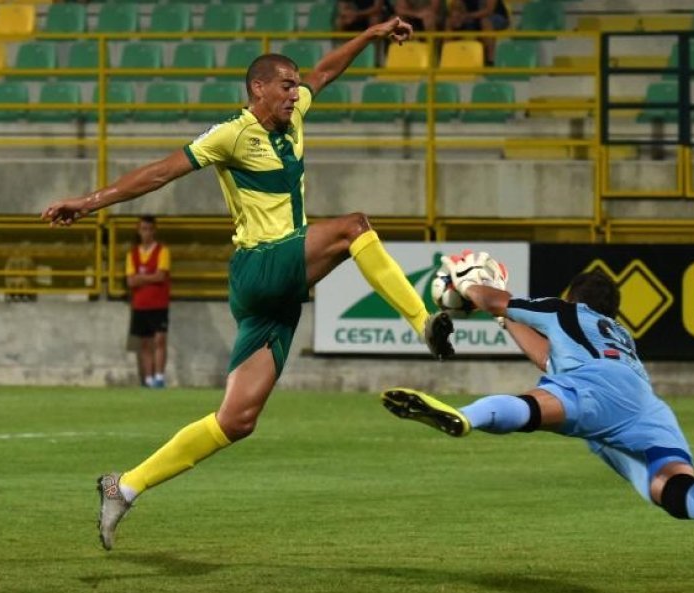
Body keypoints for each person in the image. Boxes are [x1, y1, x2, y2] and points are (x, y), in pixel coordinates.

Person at [40, 16, 456, 551]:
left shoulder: (296, 113)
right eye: (286, 84)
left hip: (275, 296)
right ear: (259, 87)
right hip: (260, 265)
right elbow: (159, 173)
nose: (296, 92)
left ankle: (124, 486)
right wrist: (88, 202)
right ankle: (423, 321)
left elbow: (327, 72)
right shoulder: (231, 134)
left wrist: (372, 36)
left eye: (296, 85)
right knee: (354, 226)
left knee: (236, 420)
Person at [381, 259, 694, 577]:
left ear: (570, 296)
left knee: (535, 405)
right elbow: (547, 355)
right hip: (645, 405)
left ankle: (464, 417)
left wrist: (468, 282)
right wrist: (504, 319)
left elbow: (495, 300)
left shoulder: (564, 312)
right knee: (673, 487)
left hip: (595, 388)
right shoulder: (617, 333)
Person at [126, 215, 171, 389]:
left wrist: (140, 278)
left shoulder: (162, 251)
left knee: (159, 339)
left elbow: (161, 276)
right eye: (143, 229)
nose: (146, 233)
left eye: (149, 229)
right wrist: (150, 277)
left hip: (159, 303)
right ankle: (148, 378)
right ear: (139, 231)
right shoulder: (133, 253)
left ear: (154, 230)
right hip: (140, 304)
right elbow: (130, 281)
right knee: (145, 342)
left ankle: (159, 376)